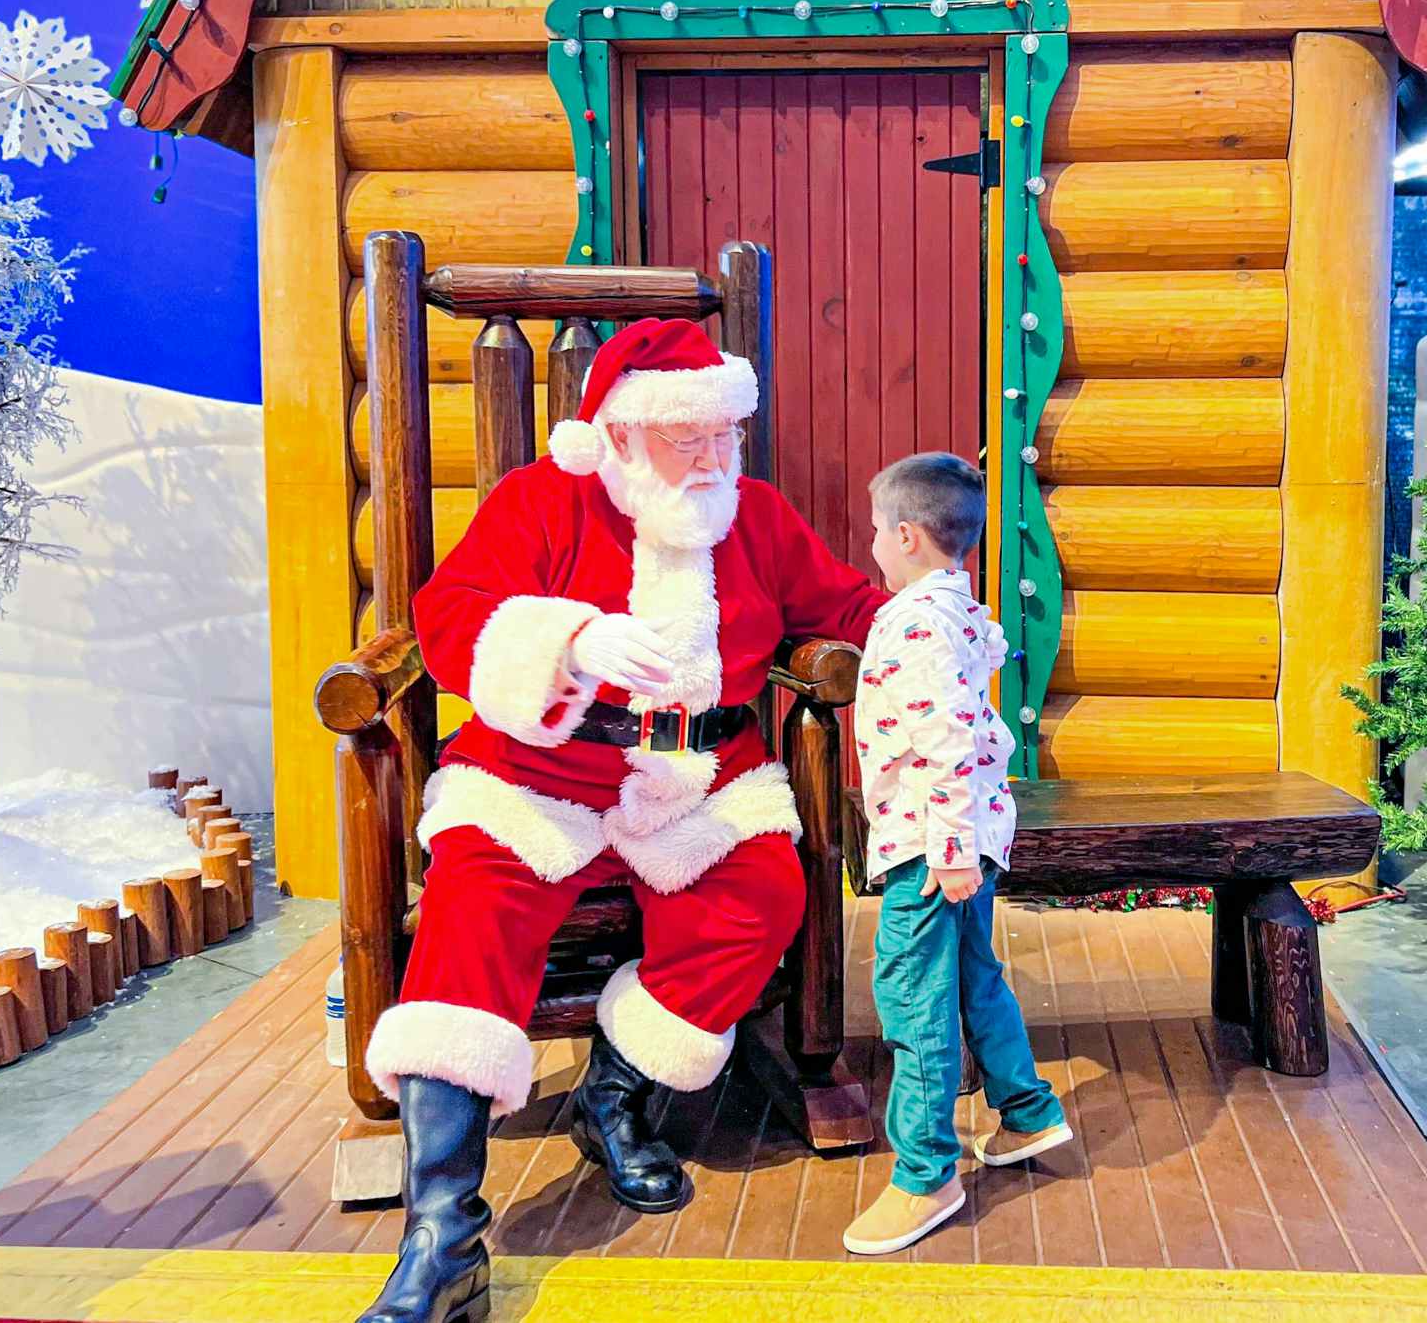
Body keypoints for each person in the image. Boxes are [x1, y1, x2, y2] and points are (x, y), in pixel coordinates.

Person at [356, 318, 889, 1323]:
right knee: (473, 904)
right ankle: (442, 1232)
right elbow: (450, 614)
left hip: (694, 775)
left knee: (762, 894)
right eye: (686, 441)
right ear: (621, 437)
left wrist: (931, 626)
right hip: (539, 771)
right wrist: (569, 639)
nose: (711, 459)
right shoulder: (542, 502)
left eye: (722, 437)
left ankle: (615, 1097)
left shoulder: (756, 518)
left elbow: (846, 607)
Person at [842, 452, 1072, 1257]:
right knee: (974, 979)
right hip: (968, 837)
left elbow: (943, 742)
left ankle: (925, 1175)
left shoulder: (910, 622)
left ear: (906, 536)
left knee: (912, 998)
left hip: (931, 848)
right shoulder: (962, 613)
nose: (871, 542)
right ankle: (1028, 1112)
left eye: (876, 530)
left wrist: (946, 853)